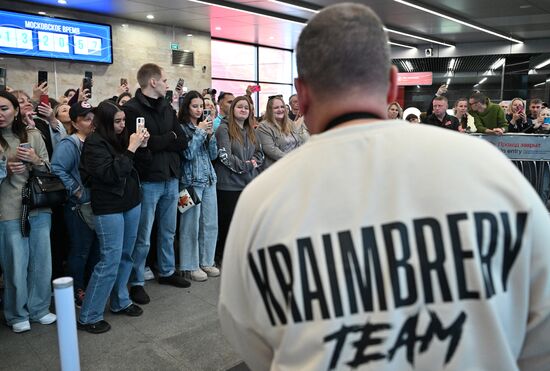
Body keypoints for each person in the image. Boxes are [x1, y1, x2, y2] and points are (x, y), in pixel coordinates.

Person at [218, 4, 550, 371]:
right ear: (392, 83)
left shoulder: (262, 199)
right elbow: (541, 328)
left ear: (303, 93)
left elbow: (248, 336)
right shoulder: (490, 170)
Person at [77, 101, 150, 334]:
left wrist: (143, 147)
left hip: (130, 202)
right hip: (108, 206)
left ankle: (120, 300)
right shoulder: (94, 142)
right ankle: (89, 315)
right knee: (109, 259)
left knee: (125, 255)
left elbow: (140, 167)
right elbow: (110, 174)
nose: (122, 125)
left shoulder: (123, 138)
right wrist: (130, 149)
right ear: (106, 122)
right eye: (117, 121)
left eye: (123, 120)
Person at [123, 63, 190, 306]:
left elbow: (181, 140)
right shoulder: (131, 109)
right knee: (143, 235)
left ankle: (167, 271)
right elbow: (140, 146)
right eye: (164, 79)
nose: (167, 84)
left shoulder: (167, 107)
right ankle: (137, 280)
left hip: (171, 176)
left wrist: (159, 141)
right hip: (148, 179)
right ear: (152, 82)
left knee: (168, 230)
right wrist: (166, 139)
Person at [0, 91, 56, 333]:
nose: (0, 115)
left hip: (38, 205)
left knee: (42, 261)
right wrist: (5, 170)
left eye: (4, 109)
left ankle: (39, 308)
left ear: (15, 110)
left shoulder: (33, 135)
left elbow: (50, 169)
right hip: (9, 209)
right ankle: (16, 313)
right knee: (15, 263)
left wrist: (34, 159)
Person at [51, 101, 99, 307]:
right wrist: (77, 190)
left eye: (93, 118)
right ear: (75, 122)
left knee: (94, 249)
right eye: (86, 119)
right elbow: (57, 169)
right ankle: (75, 290)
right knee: (80, 249)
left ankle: (89, 286)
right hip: (77, 207)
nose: (91, 123)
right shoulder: (69, 144)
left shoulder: (94, 141)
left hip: (94, 204)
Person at [214, 96, 263, 265]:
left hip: (247, 184)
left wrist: (250, 165)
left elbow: (260, 154)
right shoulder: (223, 129)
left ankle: (239, 255)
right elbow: (225, 157)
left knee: (243, 224)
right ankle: (222, 257)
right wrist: (247, 165)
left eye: (247, 108)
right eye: (240, 107)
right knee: (227, 225)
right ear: (233, 109)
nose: (243, 110)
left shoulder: (252, 131)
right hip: (228, 185)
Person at [177, 91, 219, 281]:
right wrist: (200, 132)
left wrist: (210, 136)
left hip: (209, 179)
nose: (199, 109)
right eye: (195, 106)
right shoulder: (181, 128)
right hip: (189, 182)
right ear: (187, 108)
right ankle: (189, 265)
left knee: (210, 223)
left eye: (201, 106)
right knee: (189, 225)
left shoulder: (205, 127)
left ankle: (207, 261)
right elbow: (187, 154)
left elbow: (213, 155)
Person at [257, 95, 308, 170]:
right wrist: (292, 159)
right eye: (276, 108)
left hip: (293, 166)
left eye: (282, 107)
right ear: (270, 110)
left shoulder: (290, 123)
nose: (280, 110)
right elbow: (271, 150)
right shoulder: (263, 127)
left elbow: (299, 142)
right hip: (276, 168)